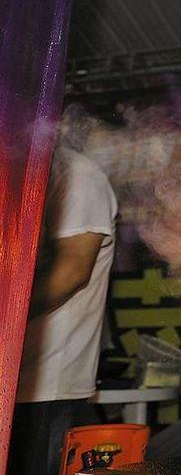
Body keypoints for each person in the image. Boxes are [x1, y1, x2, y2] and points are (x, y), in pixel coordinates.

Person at [9, 144, 118, 475]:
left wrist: (5, 317)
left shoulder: (75, 174)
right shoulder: (20, 175)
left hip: (46, 388)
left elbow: (72, 270)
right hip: (12, 382)